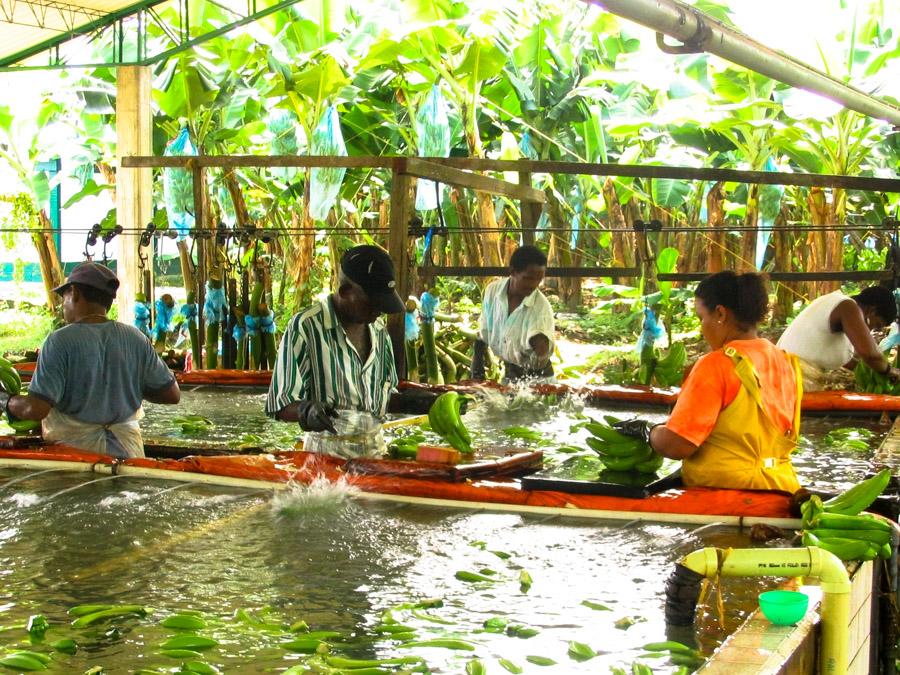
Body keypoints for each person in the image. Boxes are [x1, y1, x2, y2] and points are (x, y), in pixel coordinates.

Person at [615, 271, 802, 492]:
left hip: (729, 494)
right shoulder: (783, 360)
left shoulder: (717, 365)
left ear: (720, 313)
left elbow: (678, 444)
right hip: (781, 487)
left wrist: (648, 431)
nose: (702, 327)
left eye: (701, 317)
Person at [265, 245, 435, 458]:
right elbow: (280, 403)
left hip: (375, 456)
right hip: (325, 461)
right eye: (372, 302)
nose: (378, 310)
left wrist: (415, 402)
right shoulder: (306, 327)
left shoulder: (380, 332)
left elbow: (379, 401)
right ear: (345, 291)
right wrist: (306, 411)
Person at [0, 262, 181, 458]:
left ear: (75, 293)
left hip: (78, 457)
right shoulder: (135, 337)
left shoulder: (59, 341)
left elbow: (35, 409)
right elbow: (172, 395)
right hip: (129, 455)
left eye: (64, 297)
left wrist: (4, 400)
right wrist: (127, 388)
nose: (63, 304)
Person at [776, 285, 899, 388]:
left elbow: (848, 363)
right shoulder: (848, 307)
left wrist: (863, 363)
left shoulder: (841, 309)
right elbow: (870, 354)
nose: (871, 330)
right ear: (872, 311)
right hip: (790, 377)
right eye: (876, 324)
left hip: (794, 375)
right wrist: (890, 371)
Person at [471, 245, 555, 383]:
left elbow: (542, 353)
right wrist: (477, 369)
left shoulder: (540, 308)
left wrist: (528, 382)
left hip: (538, 380)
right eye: (528, 278)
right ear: (513, 271)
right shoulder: (493, 292)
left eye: (539, 279)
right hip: (510, 373)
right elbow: (483, 333)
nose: (534, 284)